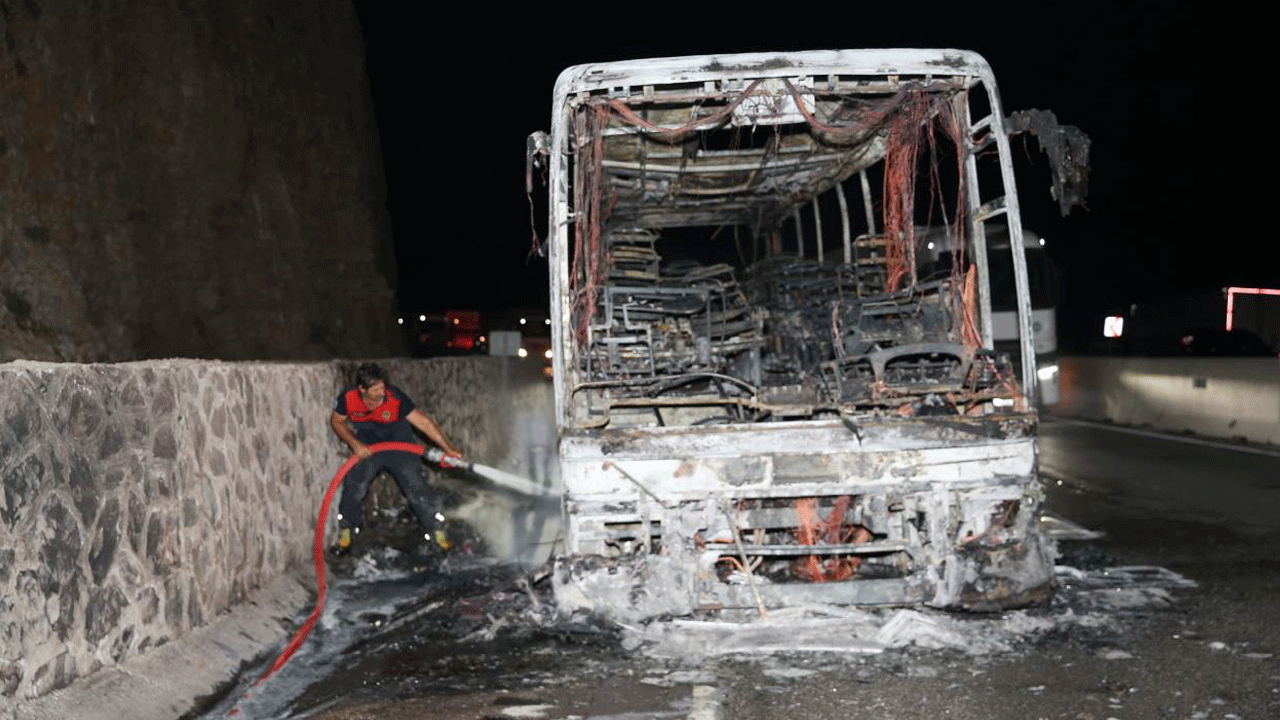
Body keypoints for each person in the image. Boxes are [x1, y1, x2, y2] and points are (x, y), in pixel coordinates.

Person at [329, 362, 463, 556]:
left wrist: (448, 449)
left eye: (383, 386)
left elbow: (423, 422)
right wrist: (355, 444)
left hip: (399, 442)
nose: (382, 392)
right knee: (355, 485)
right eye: (376, 389)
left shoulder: (394, 397)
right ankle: (346, 534)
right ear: (362, 389)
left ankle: (438, 535)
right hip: (368, 444)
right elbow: (337, 421)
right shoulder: (348, 398)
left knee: (417, 488)